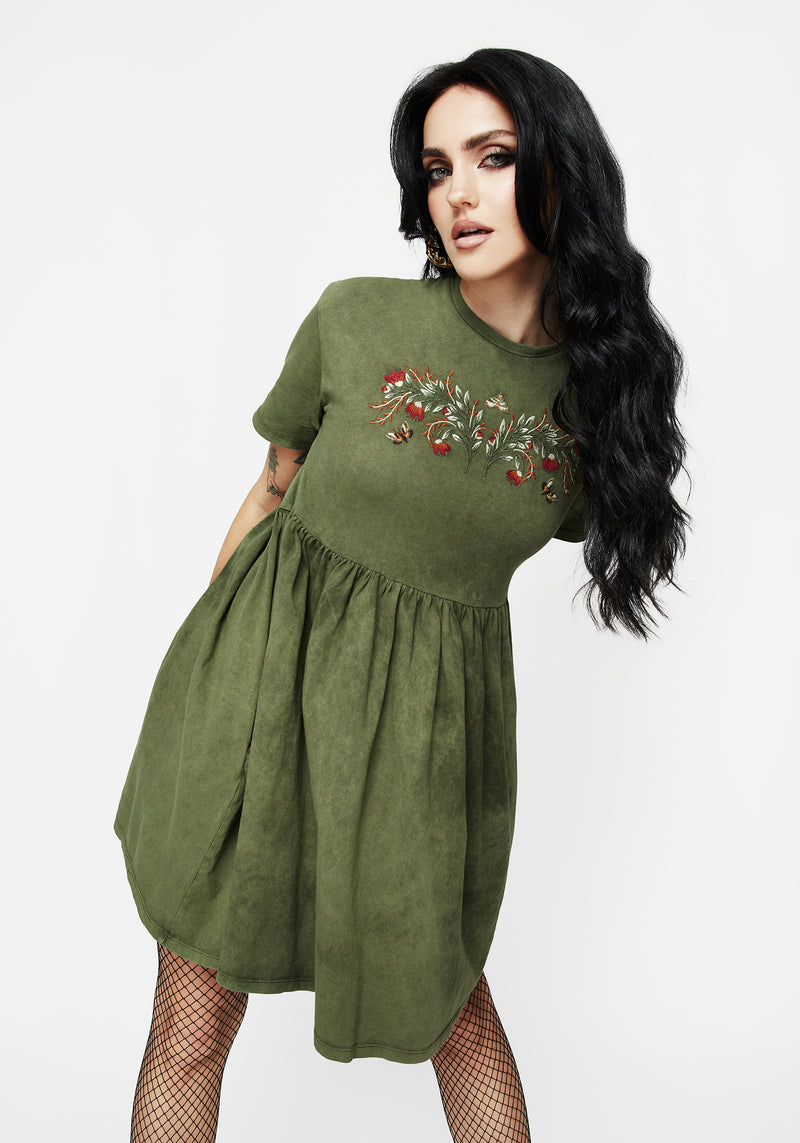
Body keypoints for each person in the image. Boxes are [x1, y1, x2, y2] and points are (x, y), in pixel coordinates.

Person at [114, 47, 688, 1143]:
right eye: (435, 169)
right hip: (249, 704)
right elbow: (271, 490)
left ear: (557, 168)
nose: (458, 193)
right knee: (192, 1023)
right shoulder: (354, 319)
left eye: (492, 157)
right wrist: (200, 690)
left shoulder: (593, 407)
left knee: (456, 1018)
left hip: (419, 750)